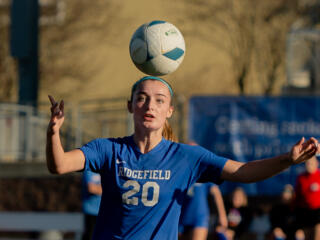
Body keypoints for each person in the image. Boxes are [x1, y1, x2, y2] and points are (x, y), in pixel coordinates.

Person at [46, 75, 319, 240]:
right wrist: (54, 133)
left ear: (170, 111)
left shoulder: (186, 156)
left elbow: (243, 171)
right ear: (130, 106)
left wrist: (287, 160)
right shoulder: (108, 149)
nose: (150, 105)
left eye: (159, 100)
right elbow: (59, 165)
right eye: (141, 98)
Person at [294, 156, 320, 240]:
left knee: (317, 231)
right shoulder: (301, 178)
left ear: (317, 164)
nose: (309, 165)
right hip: (304, 212)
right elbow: (297, 197)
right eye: (307, 163)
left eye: (311, 163)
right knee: (304, 235)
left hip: (318, 212)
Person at [81, 170, 102, 240]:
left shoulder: (105, 170)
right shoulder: (89, 171)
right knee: (90, 235)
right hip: (91, 211)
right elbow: (91, 188)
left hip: (103, 211)